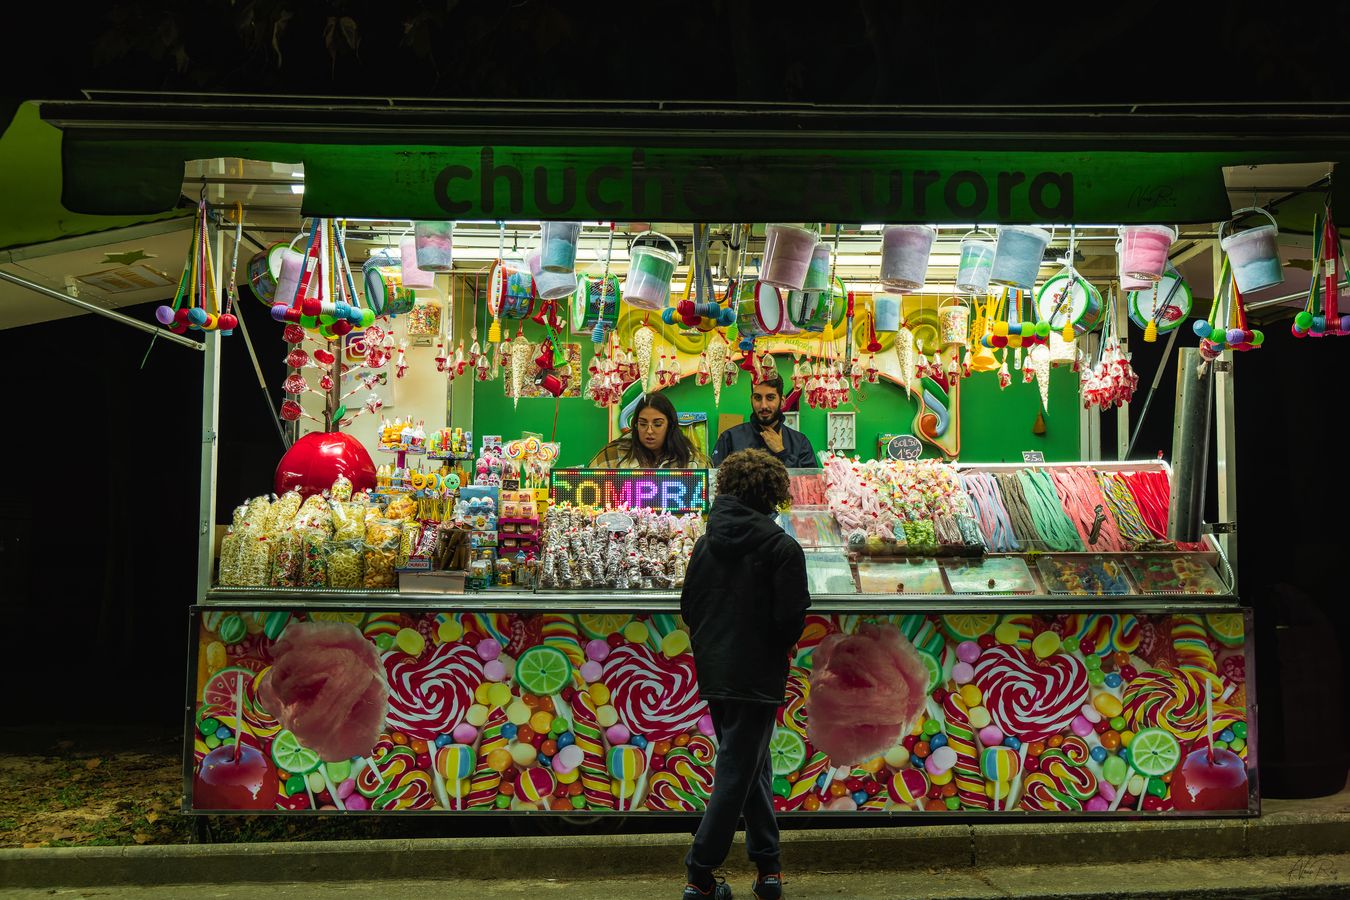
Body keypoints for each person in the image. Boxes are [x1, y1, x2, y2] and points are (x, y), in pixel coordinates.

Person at [679, 449, 810, 900]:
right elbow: (790, 620)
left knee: (752, 764)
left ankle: (768, 867)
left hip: (715, 669)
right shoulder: (782, 548)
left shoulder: (704, 543)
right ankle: (699, 874)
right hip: (759, 673)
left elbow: (687, 608)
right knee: (738, 768)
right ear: (773, 493)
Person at [710, 373, 817, 468]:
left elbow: (809, 486)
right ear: (751, 399)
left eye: (770, 398)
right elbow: (715, 485)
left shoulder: (800, 443)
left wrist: (782, 452)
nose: (763, 405)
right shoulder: (729, 439)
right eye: (758, 398)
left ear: (783, 401)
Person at [589, 391, 710, 468]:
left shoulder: (692, 459)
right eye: (642, 424)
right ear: (635, 425)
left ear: (670, 425)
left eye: (657, 424)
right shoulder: (613, 454)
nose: (649, 431)